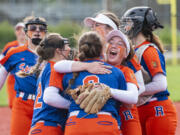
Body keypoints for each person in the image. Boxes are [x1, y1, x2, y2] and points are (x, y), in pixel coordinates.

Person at [120, 6, 177, 135]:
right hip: (143, 108)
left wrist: (134, 91)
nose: (125, 26)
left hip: (157, 108)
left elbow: (161, 84)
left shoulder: (148, 50)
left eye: (128, 22)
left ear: (138, 25)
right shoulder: (134, 49)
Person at [62, 31, 127, 135]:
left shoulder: (69, 73)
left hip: (75, 123)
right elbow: (127, 105)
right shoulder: (115, 72)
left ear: (80, 50)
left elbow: (66, 99)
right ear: (102, 51)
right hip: (104, 121)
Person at [0, 16, 47, 135]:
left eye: (41, 29)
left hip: (45, 105)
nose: (37, 31)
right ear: (26, 32)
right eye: (32, 28)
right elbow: (2, 73)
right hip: (22, 103)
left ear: (45, 33)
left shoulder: (52, 54)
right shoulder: (15, 52)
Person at [19, 33, 71, 135]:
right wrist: (72, 105)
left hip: (41, 127)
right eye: (66, 46)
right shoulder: (53, 68)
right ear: (58, 51)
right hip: (49, 128)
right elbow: (49, 97)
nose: (69, 49)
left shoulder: (46, 67)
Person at [0, 22, 26, 109]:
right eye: (18, 29)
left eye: (22, 29)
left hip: (26, 77)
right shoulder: (10, 46)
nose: (20, 32)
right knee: (12, 103)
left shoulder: (30, 45)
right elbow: (2, 59)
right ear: (15, 32)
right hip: (13, 77)